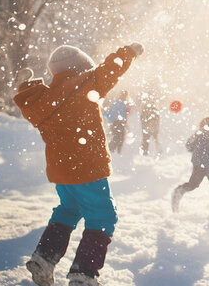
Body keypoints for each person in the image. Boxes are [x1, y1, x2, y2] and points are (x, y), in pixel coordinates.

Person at [14, 43, 144, 286]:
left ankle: (44, 258)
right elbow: (110, 69)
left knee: (68, 209)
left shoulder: (44, 98)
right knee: (103, 216)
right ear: (80, 67)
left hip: (61, 171)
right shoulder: (85, 83)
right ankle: (83, 273)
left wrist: (24, 83)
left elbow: (27, 97)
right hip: (87, 168)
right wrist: (129, 52)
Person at [105, 90, 130, 154]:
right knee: (118, 138)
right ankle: (114, 152)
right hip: (118, 123)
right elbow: (121, 115)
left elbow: (110, 114)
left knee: (117, 138)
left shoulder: (118, 103)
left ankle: (114, 152)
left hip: (117, 123)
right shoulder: (120, 104)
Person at [140, 92, 162, 156]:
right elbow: (157, 117)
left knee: (147, 140)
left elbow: (142, 117)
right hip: (151, 127)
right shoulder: (153, 106)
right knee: (154, 139)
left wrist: (145, 125)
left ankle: (146, 152)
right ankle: (158, 151)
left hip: (148, 127)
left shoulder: (146, 106)